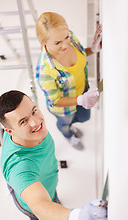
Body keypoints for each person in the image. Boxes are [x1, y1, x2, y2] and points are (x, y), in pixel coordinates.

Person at [0, 90, 107, 220]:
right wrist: (76, 218)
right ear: (9, 131)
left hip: (47, 184)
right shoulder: (19, 168)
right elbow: (41, 206)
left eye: (34, 111)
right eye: (23, 121)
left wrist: (79, 100)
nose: (36, 122)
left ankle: (33, 216)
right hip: (32, 195)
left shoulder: (29, 130)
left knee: (48, 203)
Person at [35, 12, 102, 150]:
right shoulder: (45, 71)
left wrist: (93, 50)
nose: (65, 44)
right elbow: (55, 100)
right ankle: (68, 135)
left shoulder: (68, 36)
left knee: (84, 118)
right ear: (44, 42)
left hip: (82, 92)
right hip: (63, 108)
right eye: (57, 43)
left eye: (66, 37)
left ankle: (71, 126)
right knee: (65, 124)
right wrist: (80, 100)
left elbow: (81, 53)